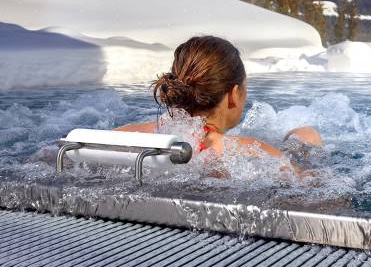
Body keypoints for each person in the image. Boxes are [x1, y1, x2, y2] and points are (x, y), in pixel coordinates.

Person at [114, 35, 322, 173]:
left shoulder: (128, 135)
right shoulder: (248, 151)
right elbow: (319, 192)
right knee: (307, 135)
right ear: (233, 94)